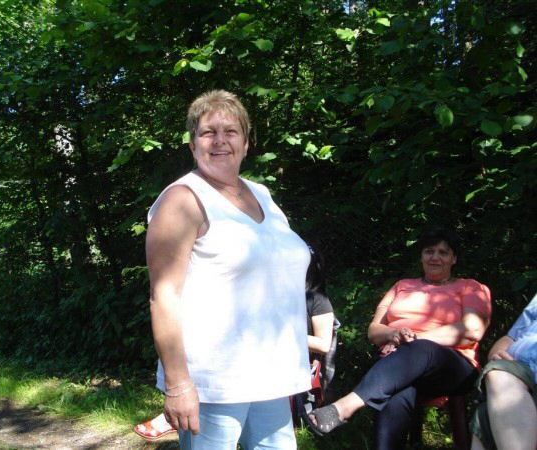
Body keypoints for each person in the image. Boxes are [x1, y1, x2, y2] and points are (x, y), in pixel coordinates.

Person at [145, 90, 312, 450]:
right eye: (208, 132)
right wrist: (178, 384)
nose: (220, 140)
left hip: (271, 376)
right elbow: (164, 296)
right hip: (213, 384)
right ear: (193, 145)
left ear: (246, 143)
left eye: (231, 131)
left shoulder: (263, 194)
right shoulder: (182, 199)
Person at [307, 227, 492, 450]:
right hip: (400, 363)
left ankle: (346, 406)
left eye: (443, 252)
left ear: (454, 259)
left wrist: (414, 339)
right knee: (398, 390)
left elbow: (472, 330)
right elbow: (374, 330)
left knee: (422, 348)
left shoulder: (470, 287)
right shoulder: (402, 286)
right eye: (429, 251)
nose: (435, 257)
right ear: (421, 256)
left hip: (452, 366)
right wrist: (393, 334)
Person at [134, 245, 335, 442]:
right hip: (234, 368)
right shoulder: (275, 293)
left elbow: (323, 344)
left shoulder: (318, 299)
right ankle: (175, 419)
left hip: (281, 370)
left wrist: (283, 334)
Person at [470, 292, 537, 450]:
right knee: (497, 377)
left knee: (486, 411)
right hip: (519, 370)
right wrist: (496, 354)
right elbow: (510, 338)